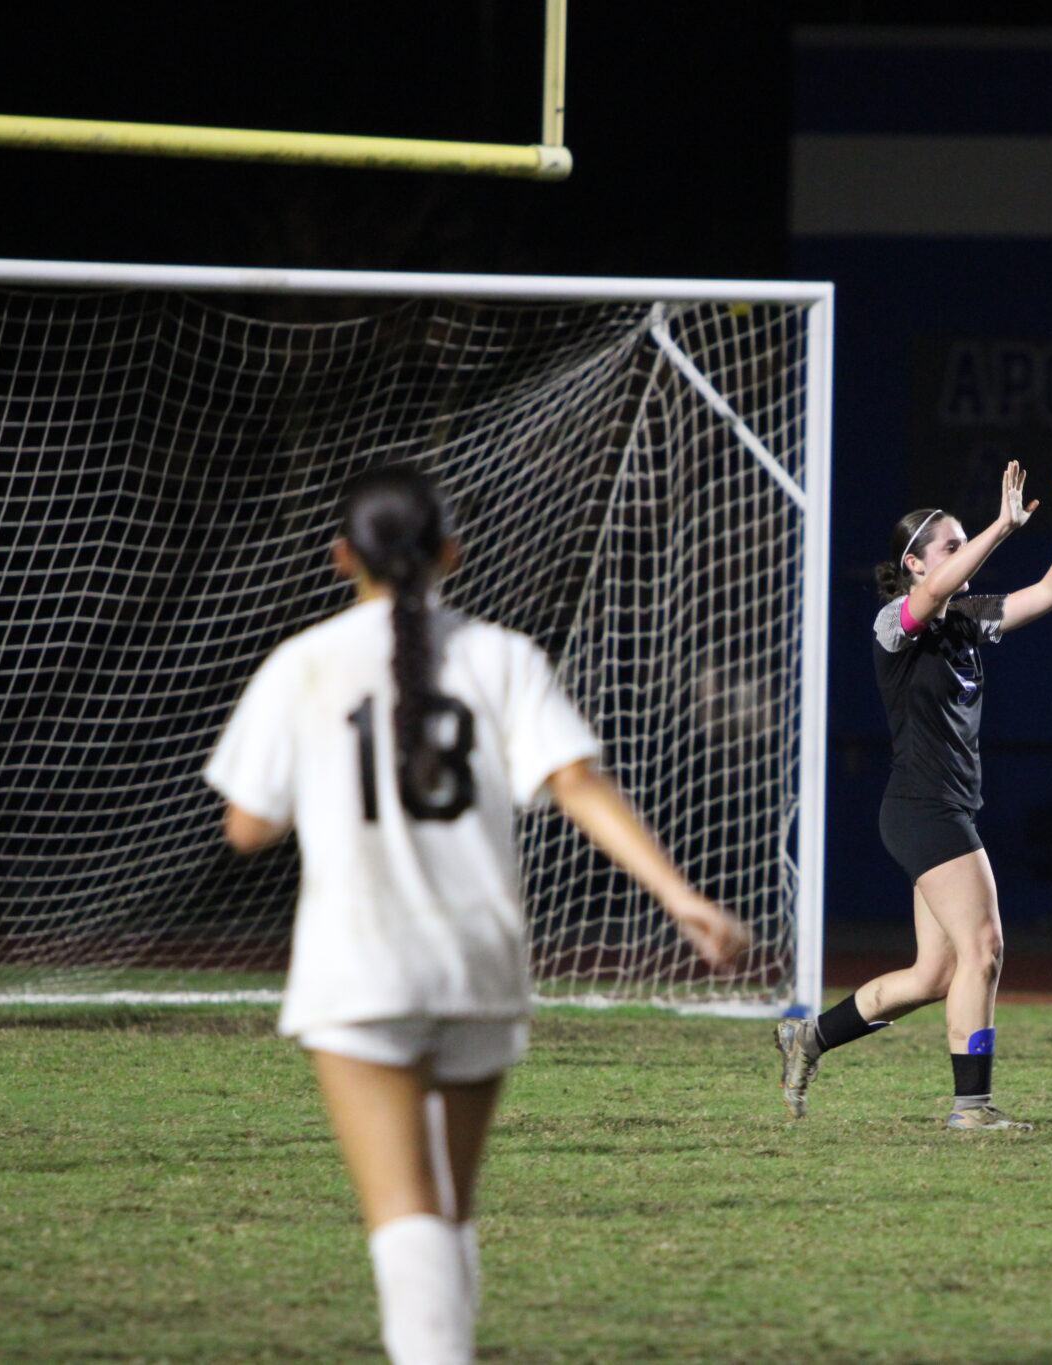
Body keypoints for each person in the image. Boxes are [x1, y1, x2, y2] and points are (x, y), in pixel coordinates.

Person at [205, 467, 747, 1365]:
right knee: (448, 1210)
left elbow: (248, 825)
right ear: (452, 553)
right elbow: (574, 781)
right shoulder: (502, 656)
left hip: (361, 963)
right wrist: (680, 895)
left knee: (405, 1215)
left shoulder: (304, 661)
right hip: (478, 963)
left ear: (343, 558)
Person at [775, 460, 1052, 1131]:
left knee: (934, 974)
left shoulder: (967, 620)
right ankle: (971, 1108)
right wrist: (1003, 527)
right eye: (951, 543)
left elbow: (1051, 593)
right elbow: (938, 590)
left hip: (940, 808)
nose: (963, 550)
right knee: (986, 947)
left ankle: (810, 1037)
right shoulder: (897, 619)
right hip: (924, 808)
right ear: (916, 564)